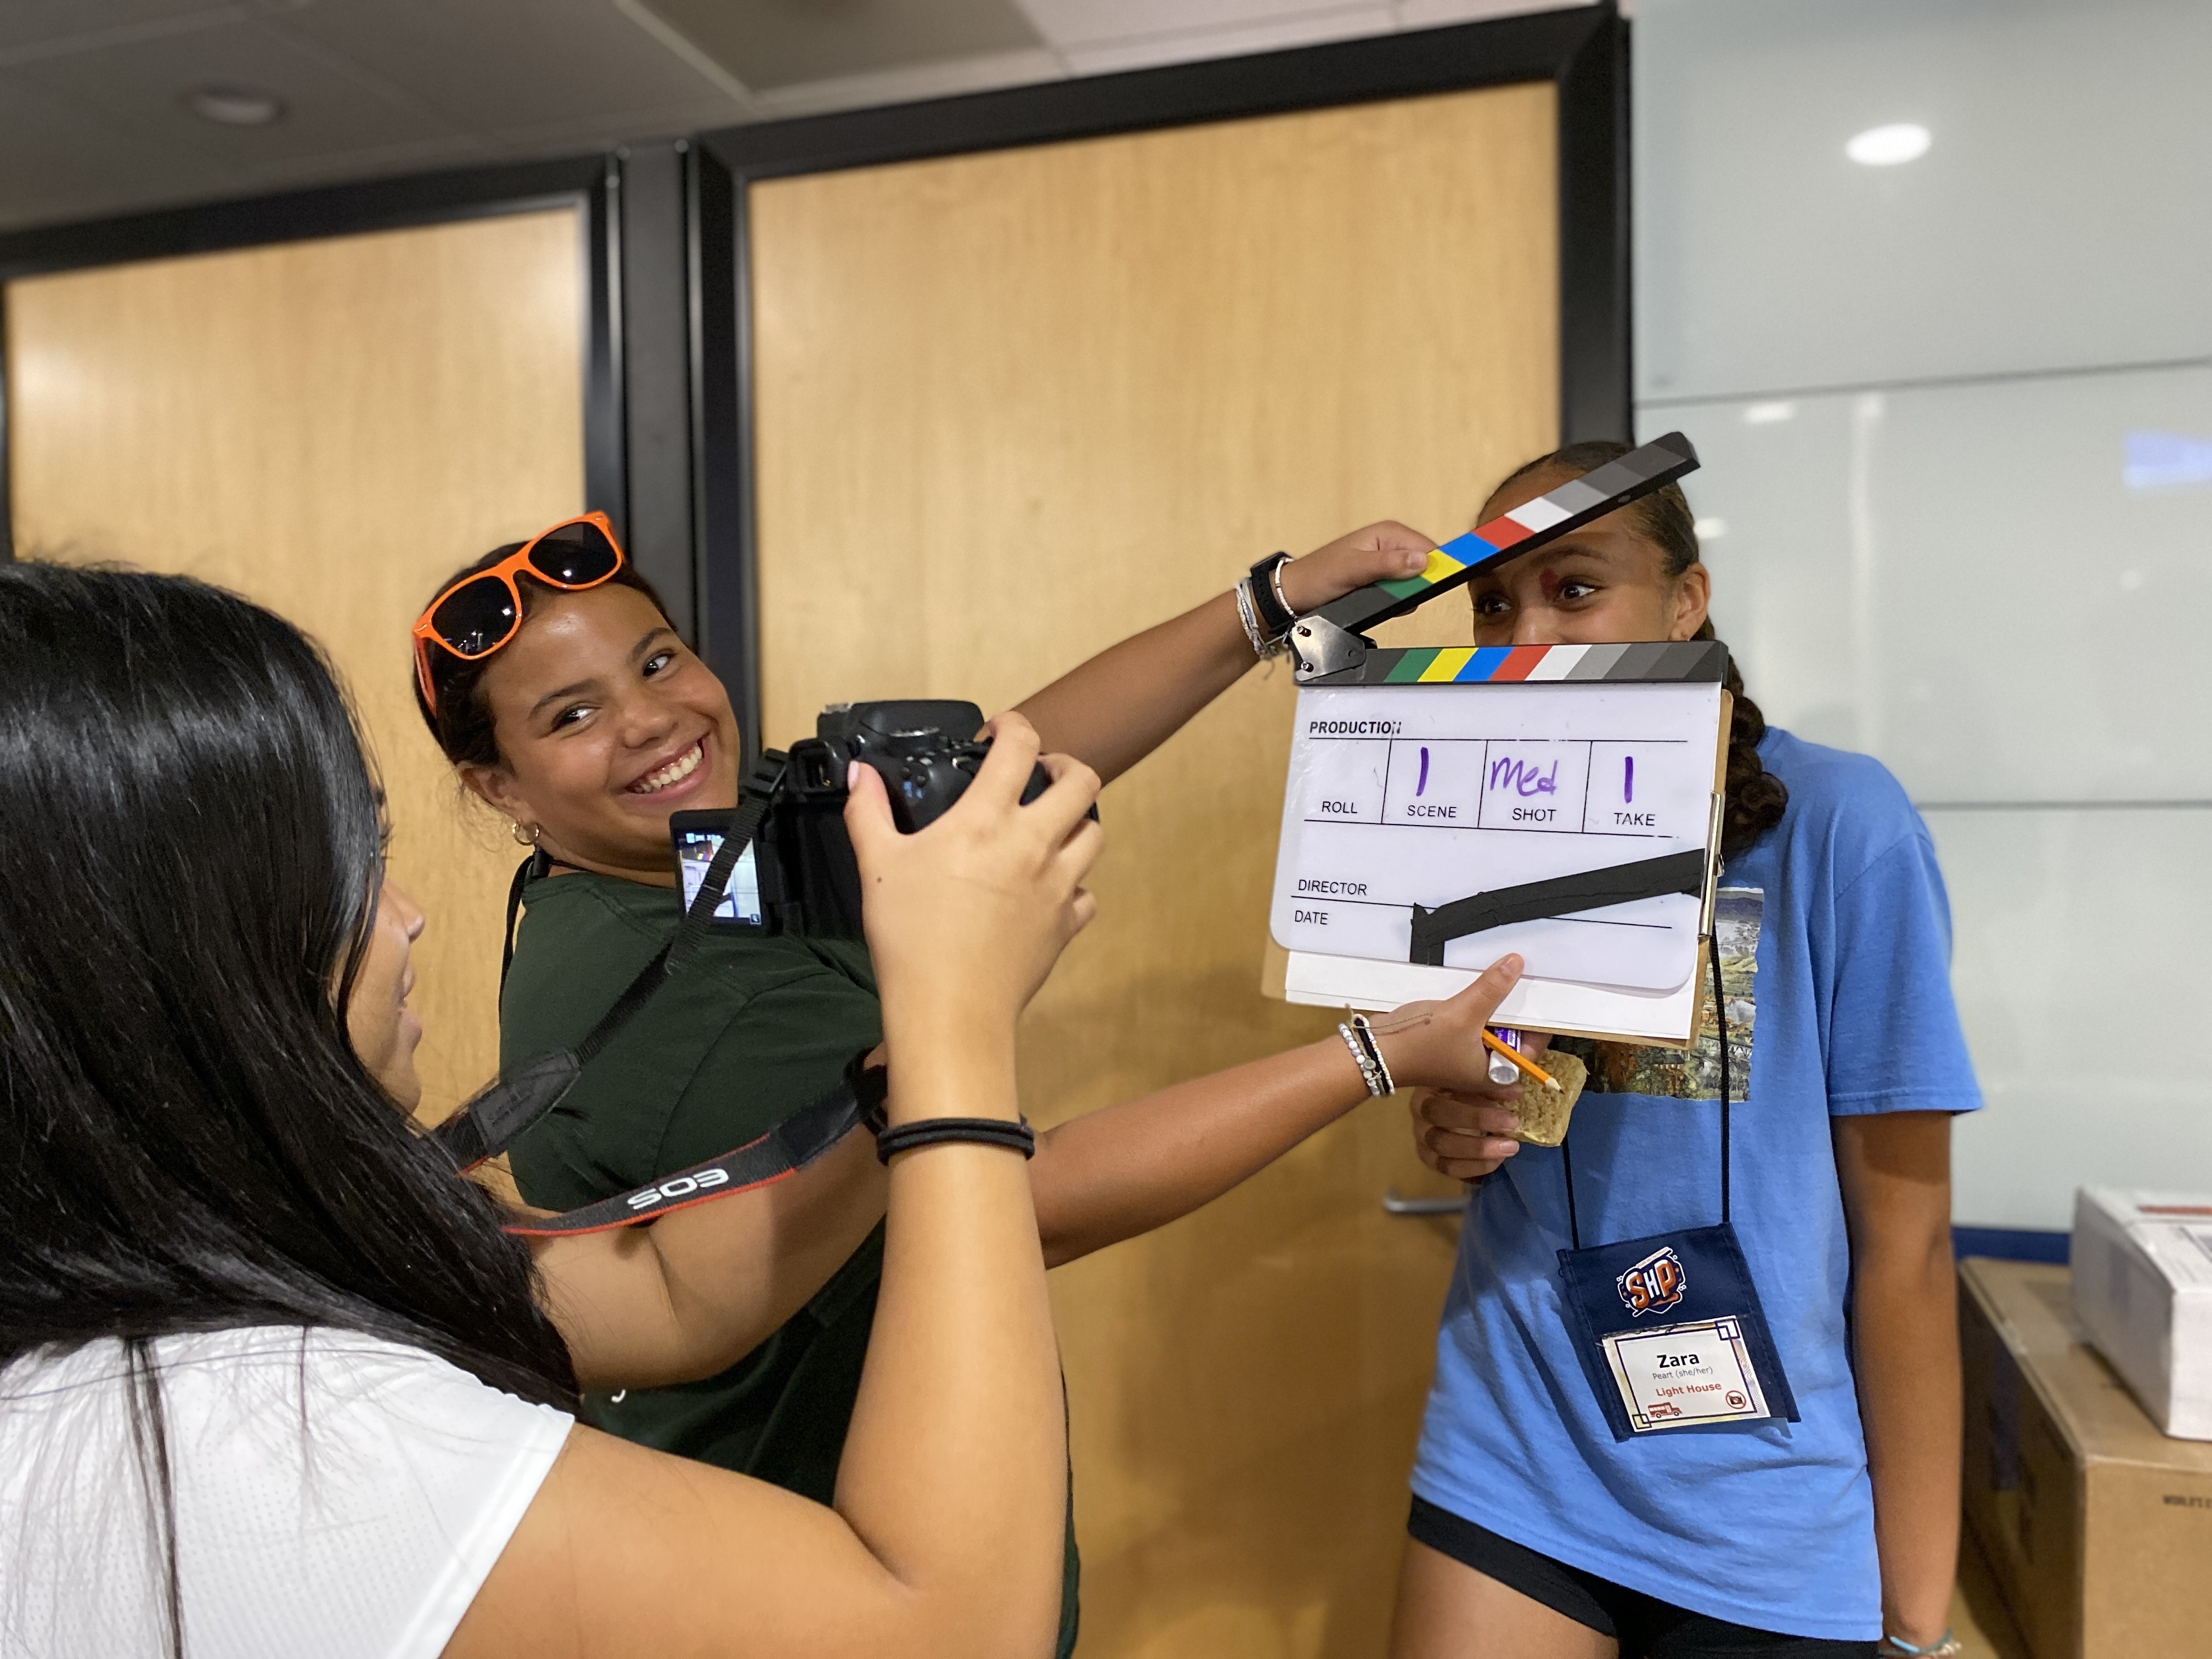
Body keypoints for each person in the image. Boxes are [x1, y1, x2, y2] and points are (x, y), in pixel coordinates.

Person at [410, 513, 1529, 1649]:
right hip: (851, 1580)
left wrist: (1267, 602)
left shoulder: (695, 850)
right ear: (499, 788)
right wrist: (1375, 1055)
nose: (654, 718)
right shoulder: (702, 1004)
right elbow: (1010, 1203)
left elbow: (1005, 766)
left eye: (656, 660)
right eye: (574, 715)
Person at [0, 559, 1104, 1658]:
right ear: (173, 964)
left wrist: (897, 1069)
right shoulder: (280, 1435)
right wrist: (956, 1027)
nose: (409, 913)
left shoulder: (156, 1264)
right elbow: (954, 1633)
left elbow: (667, 1297)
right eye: (352, 865)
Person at [1390, 443, 1980, 1659]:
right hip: (1519, 1441)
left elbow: (1910, 1244)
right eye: (1493, 601)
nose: (1527, 629)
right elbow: (1497, 1097)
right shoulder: (1476, 826)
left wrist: (1918, 1619)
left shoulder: (1842, 823)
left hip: (1770, 1495)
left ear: (1686, 601)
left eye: (1573, 586)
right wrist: (1459, 1122)